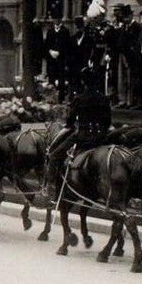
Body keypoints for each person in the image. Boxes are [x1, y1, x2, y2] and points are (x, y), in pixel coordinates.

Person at [44, 67, 112, 197]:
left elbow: (69, 122)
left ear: (83, 82)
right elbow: (107, 121)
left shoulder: (79, 99)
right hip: (101, 138)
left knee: (54, 156)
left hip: (83, 137)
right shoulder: (104, 99)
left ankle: (51, 189)